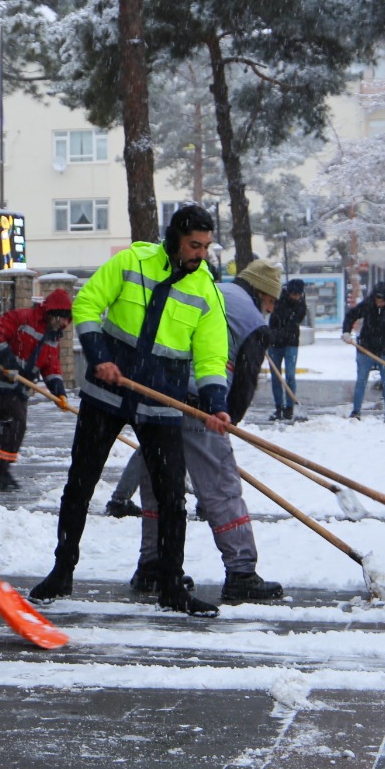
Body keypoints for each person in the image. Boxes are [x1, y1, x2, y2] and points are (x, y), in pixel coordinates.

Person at [28, 204, 230, 617]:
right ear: (174, 238)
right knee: (80, 483)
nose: (201, 254)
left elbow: (211, 357)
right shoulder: (130, 262)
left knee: (172, 497)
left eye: (206, 246)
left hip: (160, 402)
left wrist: (215, 405)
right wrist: (98, 355)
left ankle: (171, 586)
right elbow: (86, 306)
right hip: (107, 394)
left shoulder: (206, 289)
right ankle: (61, 571)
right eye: (195, 245)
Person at [120, 259, 285, 604]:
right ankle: (241, 572)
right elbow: (243, 382)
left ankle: (153, 566)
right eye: (270, 301)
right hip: (200, 403)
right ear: (259, 292)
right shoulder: (253, 321)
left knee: (159, 486)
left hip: (157, 393)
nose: (270, 309)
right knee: (222, 487)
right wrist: (228, 422)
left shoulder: (202, 290)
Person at [0, 288, 74, 491]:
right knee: (15, 424)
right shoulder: (22, 317)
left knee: (12, 426)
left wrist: (58, 391)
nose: (65, 323)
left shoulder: (53, 336)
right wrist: (9, 361)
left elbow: (51, 366)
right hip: (0, 379)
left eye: (68, 319)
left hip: (19, 386)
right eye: (63, 318)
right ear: (53, 313)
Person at [341, 281, 385, 422]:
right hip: (366, 349)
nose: (378, 303)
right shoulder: (368, 304)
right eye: (377, 300)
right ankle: (356, 412)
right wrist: (346, 331)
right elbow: (351, 316)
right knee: (361, 381)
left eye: (382, 301)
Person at [267, 278, 307, 421]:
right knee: (276, 376)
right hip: (275, 343)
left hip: (291, 344)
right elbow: (276, 318)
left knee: (290, 375)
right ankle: (279, 407)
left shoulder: (301, 302)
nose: (296, 297)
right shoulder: (278, 299)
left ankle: (289, 407)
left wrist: (296, 304)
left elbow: (297, 318)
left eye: (298, 295)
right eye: (294, 294)